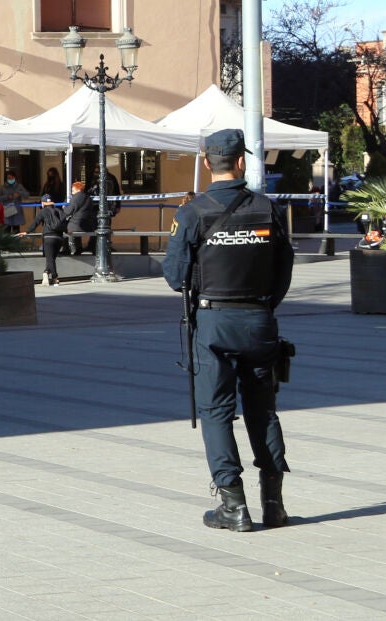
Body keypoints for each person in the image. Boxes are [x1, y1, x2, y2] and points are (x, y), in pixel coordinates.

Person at [163, 128, 295, 533]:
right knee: (263, 411)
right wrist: (264, 305)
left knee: (216, 412)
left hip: (213, 323)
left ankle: (233, 506)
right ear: (241, 161)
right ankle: (274, 504)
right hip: (259, 321)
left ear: (207, 163)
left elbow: (175, 276)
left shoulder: (191, 213)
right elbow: (284, 269)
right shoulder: (267, 209)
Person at [36, 194, 69, 285]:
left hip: (48, 237)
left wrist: (26, 232)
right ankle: (46, 272)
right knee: (51, 258)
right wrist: (66, 230)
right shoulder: (59, 211)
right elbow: (64, 221)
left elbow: (35, 223)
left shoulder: (43, 211)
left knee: (50, 259)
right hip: (59, 238)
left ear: (43, 203)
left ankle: (55, 278)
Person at [64, 179, 95, 255]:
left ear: (77, 189)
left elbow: (67, 212)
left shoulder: (75, 198)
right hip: (88, 225)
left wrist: (64, 207)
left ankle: (68, 249)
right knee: (75, 223)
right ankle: (79, 248)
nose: (72, 191)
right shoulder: (88, 198)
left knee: (65, 227)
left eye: (73, 189)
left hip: (77, 226)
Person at [0, 170, 29, 235]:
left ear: (14, 178)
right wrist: (7, 197)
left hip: (16, 213)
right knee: (6, 232)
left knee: (16, 233)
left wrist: (19, 193)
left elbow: (27, 195)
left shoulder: (19, 186)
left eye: (12, 178)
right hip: (7, 213)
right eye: (8, 178)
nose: (10, 179)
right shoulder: (3, 187)